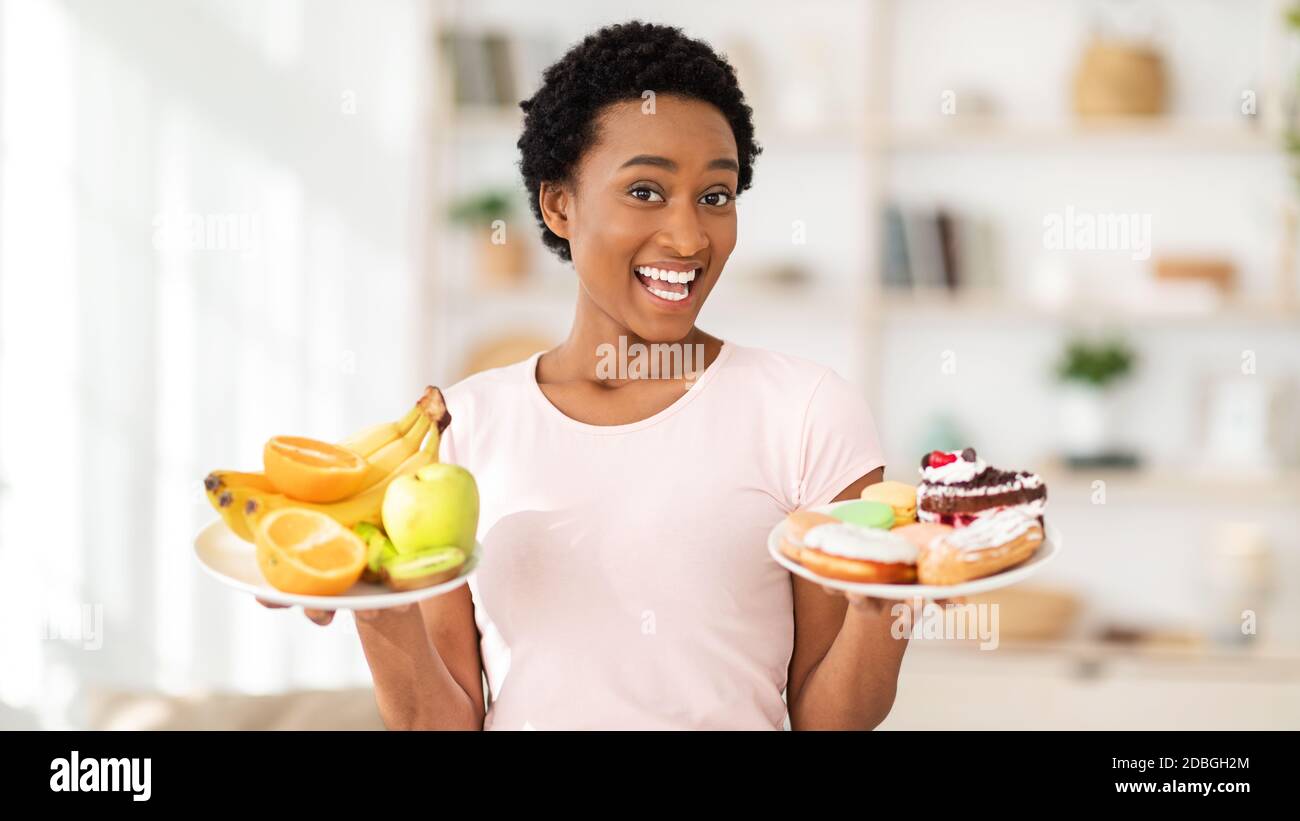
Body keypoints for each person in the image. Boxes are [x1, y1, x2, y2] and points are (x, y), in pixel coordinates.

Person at [264, 19, 921, 730]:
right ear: (559, 204)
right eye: (645, 191)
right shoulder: (461, 427)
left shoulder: (805, 412)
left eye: (716, 195)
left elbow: (831, 718)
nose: (689, 237)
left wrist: (890, 603)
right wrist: (376, 607)